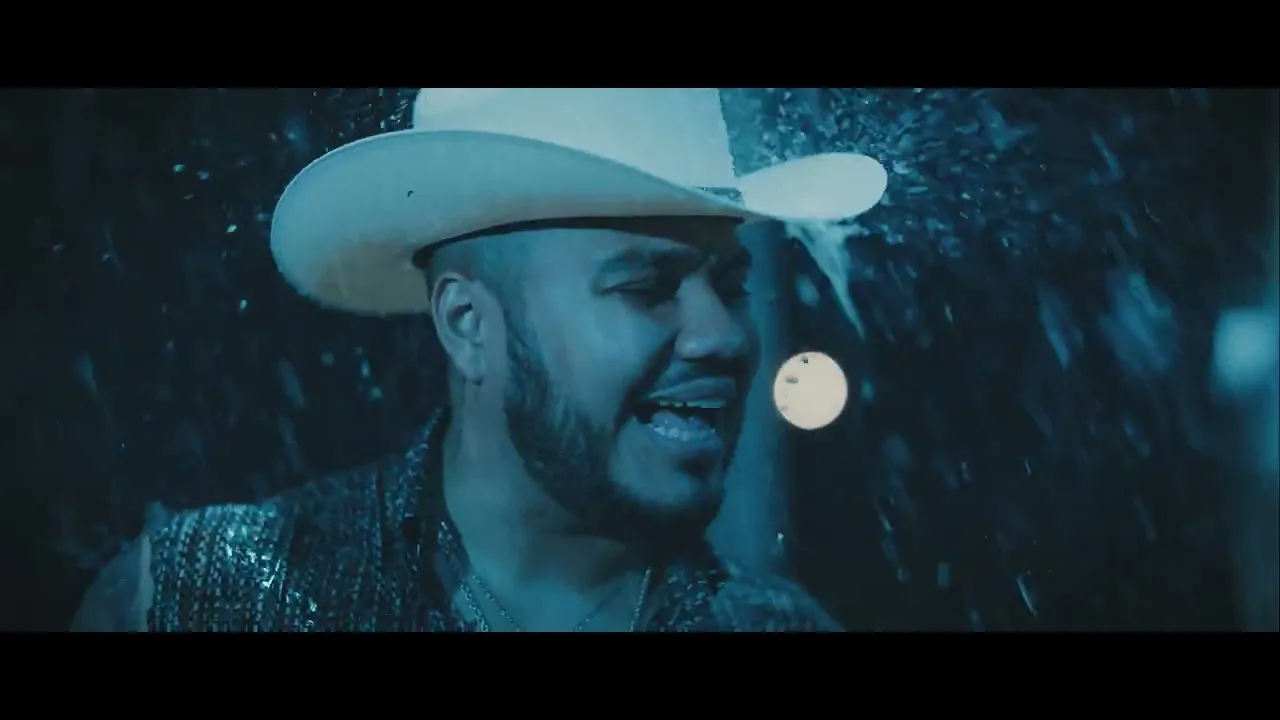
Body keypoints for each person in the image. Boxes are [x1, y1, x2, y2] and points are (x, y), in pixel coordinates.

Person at [71, 88, 889, 631]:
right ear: (468, 324)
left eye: (730, 285)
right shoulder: (200, 602)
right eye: (646, 285)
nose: (724, 336)